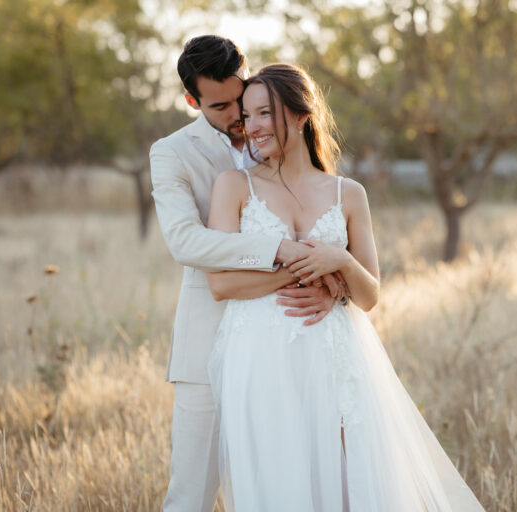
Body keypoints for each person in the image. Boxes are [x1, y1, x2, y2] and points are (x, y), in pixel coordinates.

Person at [206, 63, 486, 511]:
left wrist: (340, 264)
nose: (251, 126)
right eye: (247, 115)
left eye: (263, 113)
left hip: (335, 356)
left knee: (348, 479)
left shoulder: (347, 193)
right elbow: (220, 282)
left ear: (301, 115)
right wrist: (313, 268)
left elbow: (370, 295)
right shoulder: (233, 187)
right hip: (260, 357)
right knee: (279, 483)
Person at [149, 36, 342, 512]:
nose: (239, 114)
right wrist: (277, 249)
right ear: (192, 101)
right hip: (207, 342)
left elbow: (325, 225)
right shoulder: (172, 153)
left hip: (289, 346)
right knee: (190, 493)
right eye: (220, 105)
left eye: (241, 97)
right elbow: (185, 242)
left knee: (287, 484)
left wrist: (334, 290)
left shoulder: (280, 132)